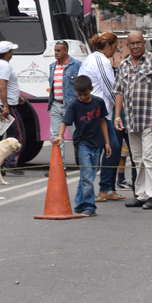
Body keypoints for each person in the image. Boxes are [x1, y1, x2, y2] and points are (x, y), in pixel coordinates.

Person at [114, 30, 152, 210]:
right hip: (132, 120)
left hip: (150, 119)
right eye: (132, 43)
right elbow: (119, 92)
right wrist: (117, 115)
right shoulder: (123, 64)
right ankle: (141, 195)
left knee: (151, 157)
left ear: (144, 43)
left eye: (139, 43)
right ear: (127, 45)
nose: (135, 46)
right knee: (137, 158)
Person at [54, 75, 110, 216]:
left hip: (97, 144)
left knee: (90, 175)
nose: (83, 97)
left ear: (91, 89)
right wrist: (60, 136)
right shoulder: (74, 105)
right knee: (86, 175)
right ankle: (90, 206)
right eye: (79, 95)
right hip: (82, 144)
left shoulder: (99, 102)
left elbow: (103, 122)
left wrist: (107, 142)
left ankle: (79, 204)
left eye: (85, 94)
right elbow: (64, 122)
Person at [79, 32, 119, 197]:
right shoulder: (101, 61)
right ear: (108, 45)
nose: (115, 51)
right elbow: (111, 89)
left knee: (101, 150)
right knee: (110, 149)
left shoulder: (89, 58)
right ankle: (102, 188)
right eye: (116, 47)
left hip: (92, 112)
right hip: (99, 114)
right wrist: (121, 105)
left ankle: (103, 188)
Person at [0, 40, 26, 177]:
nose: (12, 53)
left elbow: (5, 86)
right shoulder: (6, 66)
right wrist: (6, 106)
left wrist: (18, 95)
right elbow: (2, 86)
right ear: (8, 52)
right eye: (11, 50)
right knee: (16, 135)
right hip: (6, 106)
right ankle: (11, 163)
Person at [47, 40, 81, 171]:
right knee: (55, 137)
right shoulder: (52, 66)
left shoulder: (76, 65)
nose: (55, 53)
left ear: (66, 51)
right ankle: (59, 168)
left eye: (58, 50)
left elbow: (82, 85)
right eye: (55, 50)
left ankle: (83, 164)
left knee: (77, 136)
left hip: (71, 106)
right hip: (55, 104)